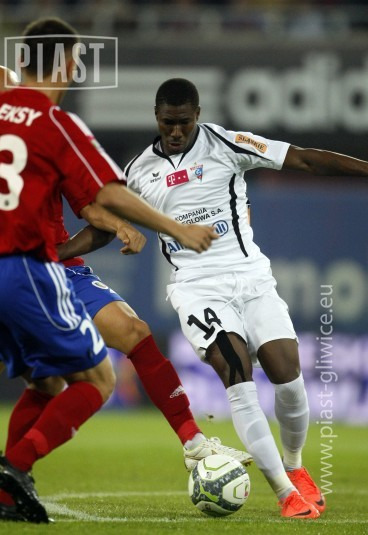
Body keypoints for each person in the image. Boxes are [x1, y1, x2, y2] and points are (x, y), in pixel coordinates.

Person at [0, 23, 217, 523]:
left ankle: (9, 499)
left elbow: (88, 202)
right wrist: (176, 228)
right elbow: (107, 190)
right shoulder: (54, 124)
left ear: (22, 62)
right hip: (25, 272)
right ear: (68, 62)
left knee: (48, 382)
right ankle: (16, 466)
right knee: (99, 379)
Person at [124, 77, 368, 519]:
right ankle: (285, 494)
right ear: (156, 118)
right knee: (237, 375)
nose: (175, 132)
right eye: (167, 123)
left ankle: (294, 467)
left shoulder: (226, 143)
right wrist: (85, 240)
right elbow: (106, 215)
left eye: (183, 122)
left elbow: (305, 159)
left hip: (250, 277)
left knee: (287, 376)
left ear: (198, 115)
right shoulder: (138, 171)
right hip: (196, 287)